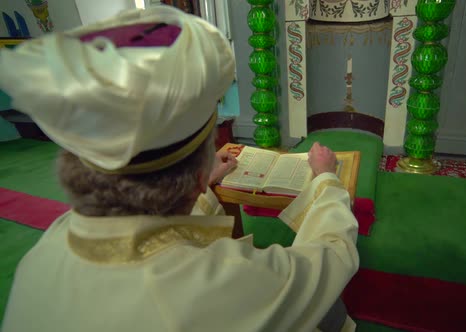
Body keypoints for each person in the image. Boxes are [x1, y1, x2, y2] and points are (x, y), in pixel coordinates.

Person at [0, 6, 359, 332]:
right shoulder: (218, 286)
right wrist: (327, 179)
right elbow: (330, 257)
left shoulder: (50, 245)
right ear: (198, 173)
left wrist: (204, 187)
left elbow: (144, 233)